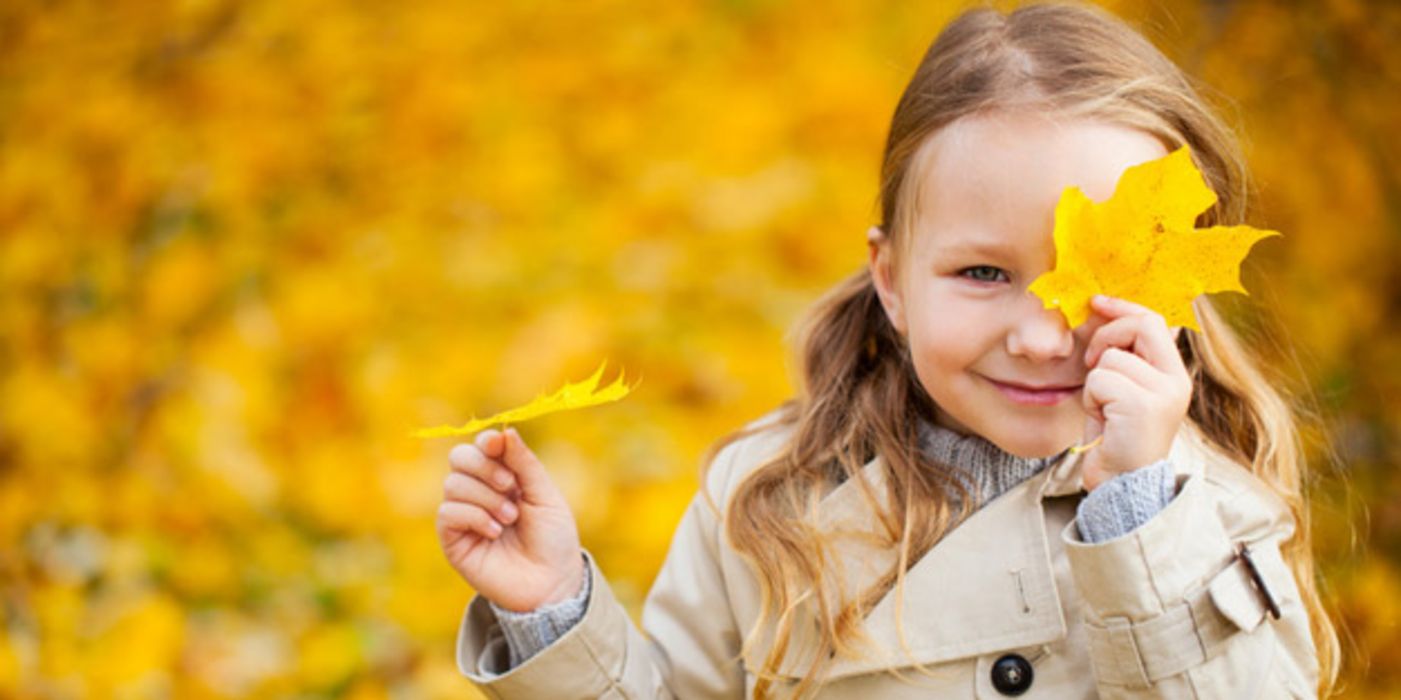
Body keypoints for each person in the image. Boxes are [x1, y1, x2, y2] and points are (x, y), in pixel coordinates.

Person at [436, 3, 1339, 697]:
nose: (1039, 336)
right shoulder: (769, 499)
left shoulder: (1202, 513)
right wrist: (553, 607)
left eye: (1097, 277)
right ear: (893, 278)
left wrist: (1139, 520)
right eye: (983, 273)